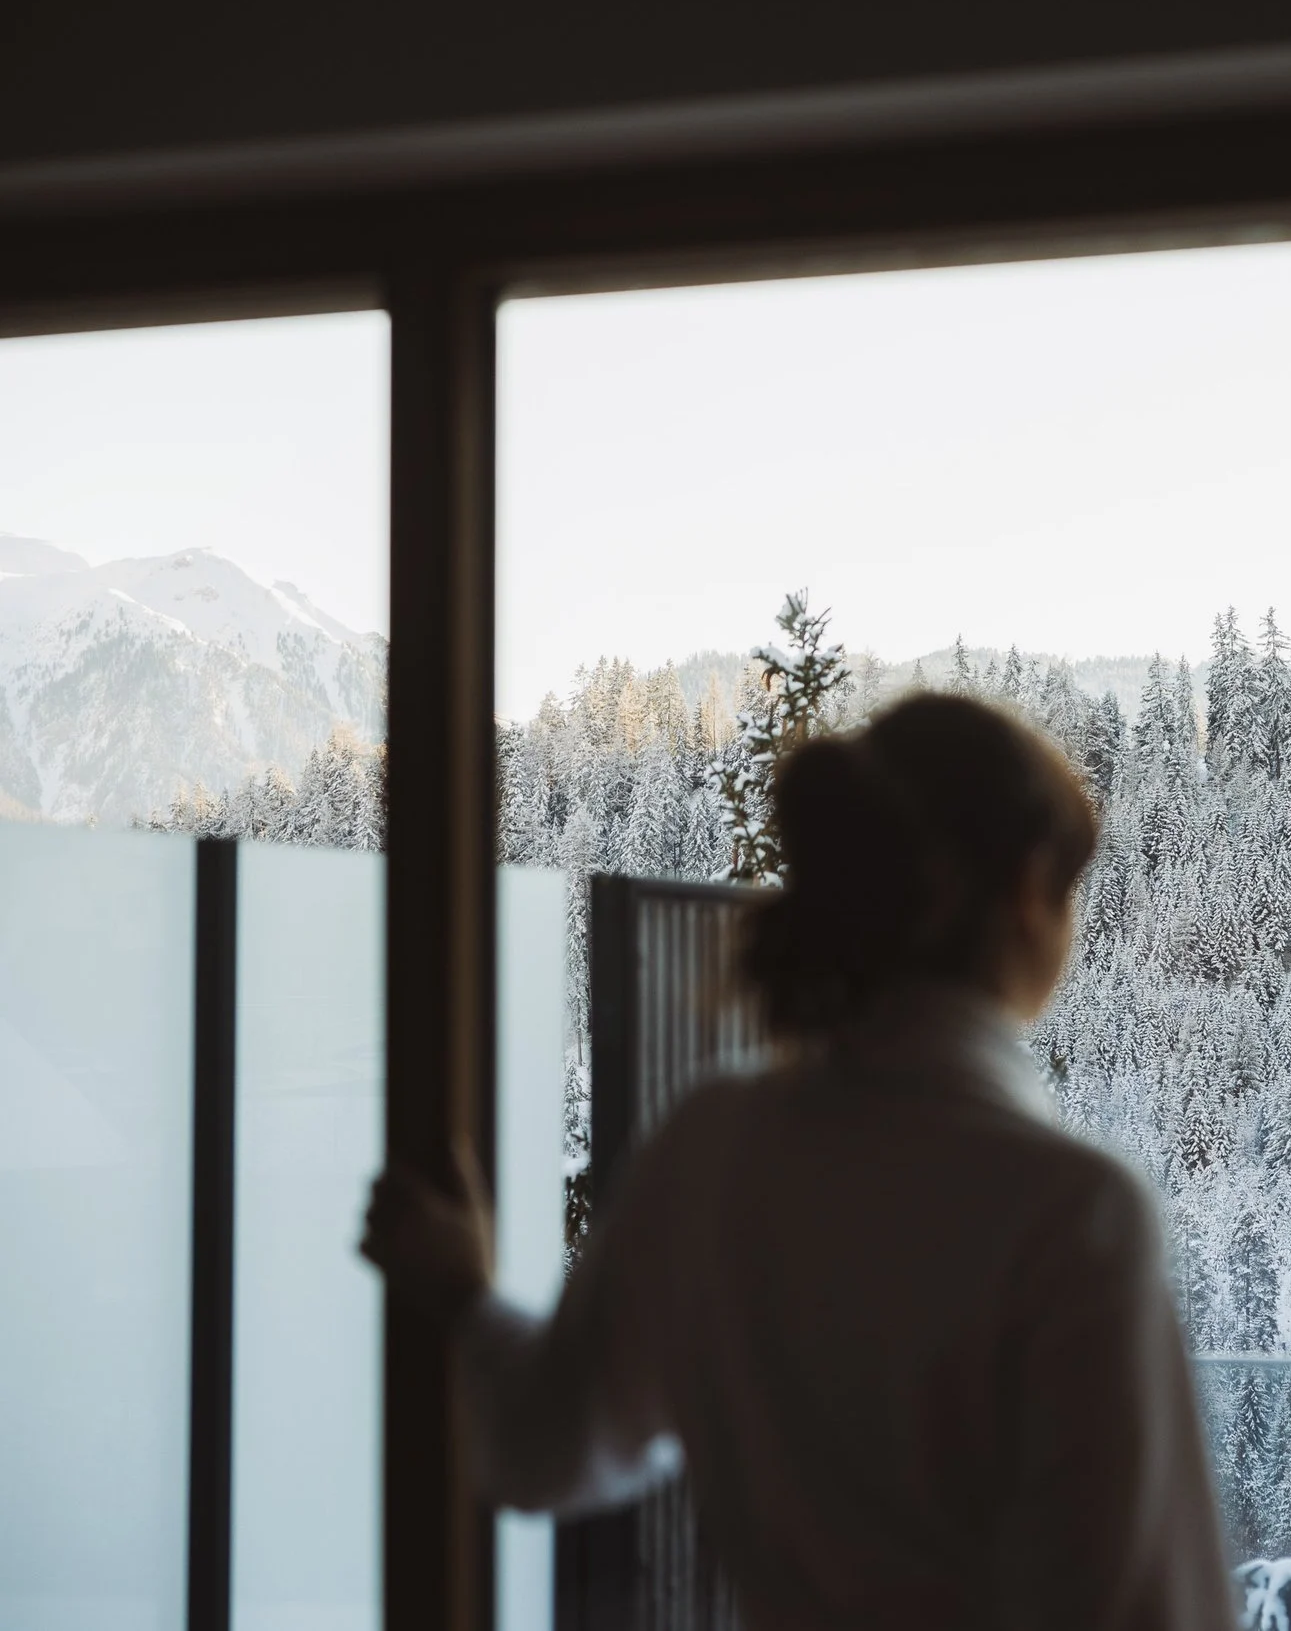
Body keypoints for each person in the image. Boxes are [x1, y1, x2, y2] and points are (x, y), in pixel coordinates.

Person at [361, 691, 1235, 1631]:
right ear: (1027, 890)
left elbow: (542, 1447)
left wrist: (459, 1293)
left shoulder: (712, 1150)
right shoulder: (1072, 1215)